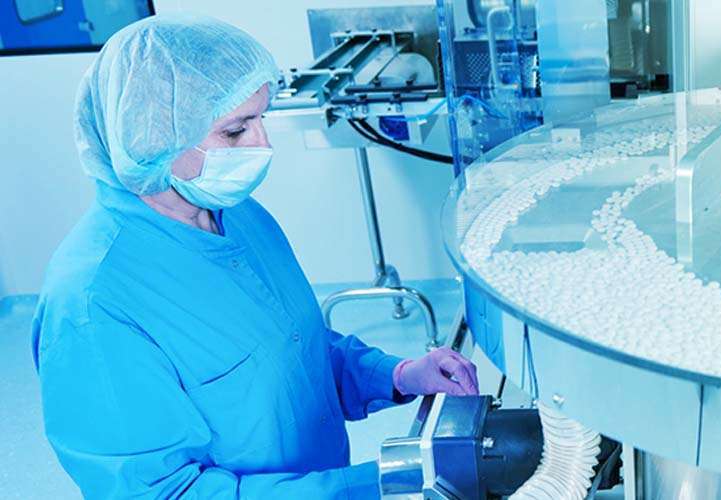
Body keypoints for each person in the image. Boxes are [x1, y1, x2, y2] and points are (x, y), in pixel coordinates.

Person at [31, 13, 477, 499]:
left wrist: (397, 376)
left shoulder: (236, 215)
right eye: (236, 130)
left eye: (262, 119)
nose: (262, 145)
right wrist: (382, 484)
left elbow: (295, 348)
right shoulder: (94, 305)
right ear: (155, 132)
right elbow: (163, 494)